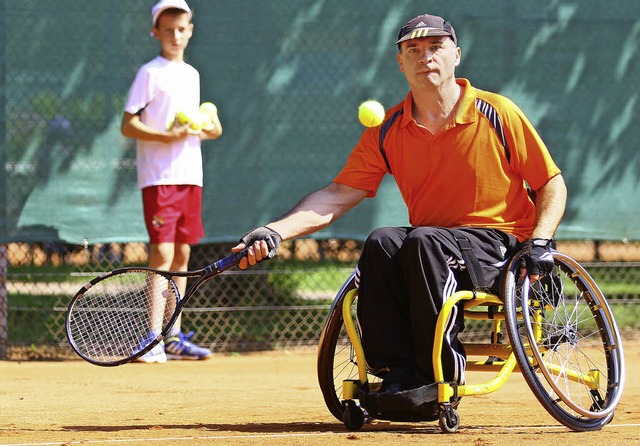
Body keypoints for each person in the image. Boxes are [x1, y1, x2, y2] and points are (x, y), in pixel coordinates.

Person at [234, 13, 567, 407]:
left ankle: (436, 375)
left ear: (456, 55)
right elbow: (339, 194)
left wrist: (541, 242)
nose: (424, 56)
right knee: (382, 241)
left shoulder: (496, 112)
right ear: (401, 62)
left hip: (503, 245)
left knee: (425, 241)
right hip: (437, 247)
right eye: (413, 49)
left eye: (435, 47)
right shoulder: (389, 128)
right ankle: (396, 374)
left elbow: (551, 183)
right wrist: (276, 231)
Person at [121, 0, 222, 363]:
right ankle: (151, 338)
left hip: (190, 176)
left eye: (182, 29)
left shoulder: (192, 75)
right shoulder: (149, 73)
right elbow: (128, 123)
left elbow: (202, 129)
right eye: (168, 30)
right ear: (156, 33)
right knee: (161, 252)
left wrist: (210, 128)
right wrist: (166, 136)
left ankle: (174, 335)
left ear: (190, 31)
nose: (175, 36)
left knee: (182, 254)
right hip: (159, 178)